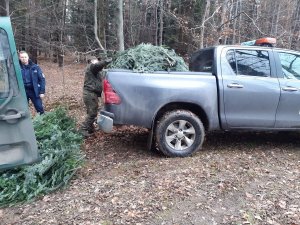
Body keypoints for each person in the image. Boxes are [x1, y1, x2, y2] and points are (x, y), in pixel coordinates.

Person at [80, 56, 112, 138]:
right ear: (92, 61)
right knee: (92, 113)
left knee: (91, 111)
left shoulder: (96, 71)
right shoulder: (91, 67)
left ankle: (90, 128)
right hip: (90, 93)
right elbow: (97, 66)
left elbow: (102, 71)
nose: (97, 61)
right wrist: (106, 61)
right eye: (96, 60)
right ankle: (83, 130)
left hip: (92, 94)